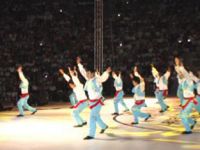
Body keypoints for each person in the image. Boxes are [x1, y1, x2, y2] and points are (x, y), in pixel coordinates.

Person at [77, 57, 111, 140]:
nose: (87, 74)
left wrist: (106, 72)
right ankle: (104, 126)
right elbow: (83, 72)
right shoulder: (88, 80)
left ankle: (91, 134)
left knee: (92, 117)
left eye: (89, 73)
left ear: (93, 73)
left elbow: (103, 78)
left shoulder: (97, 80)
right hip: (92, 102)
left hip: (97, 102)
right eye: (87, 73)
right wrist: (79, 64)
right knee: (96, 116)